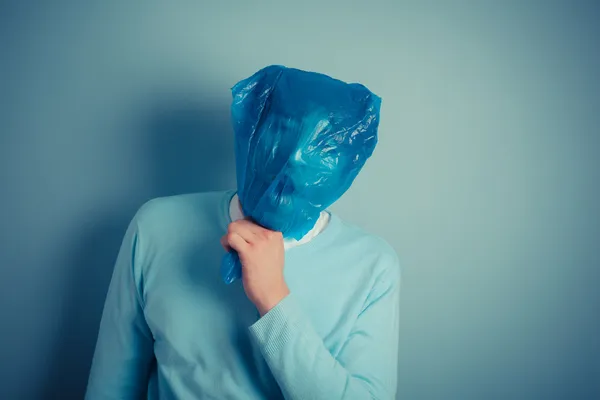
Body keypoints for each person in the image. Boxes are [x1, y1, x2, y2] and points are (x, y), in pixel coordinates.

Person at [85, 66, 401, 400]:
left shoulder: (371, 265)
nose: (294, 158)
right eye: (282, 130)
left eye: (323, 148)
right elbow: (111, 387)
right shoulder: (155, 227)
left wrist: (273, 299)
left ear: (346, 165)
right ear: (250, 131)